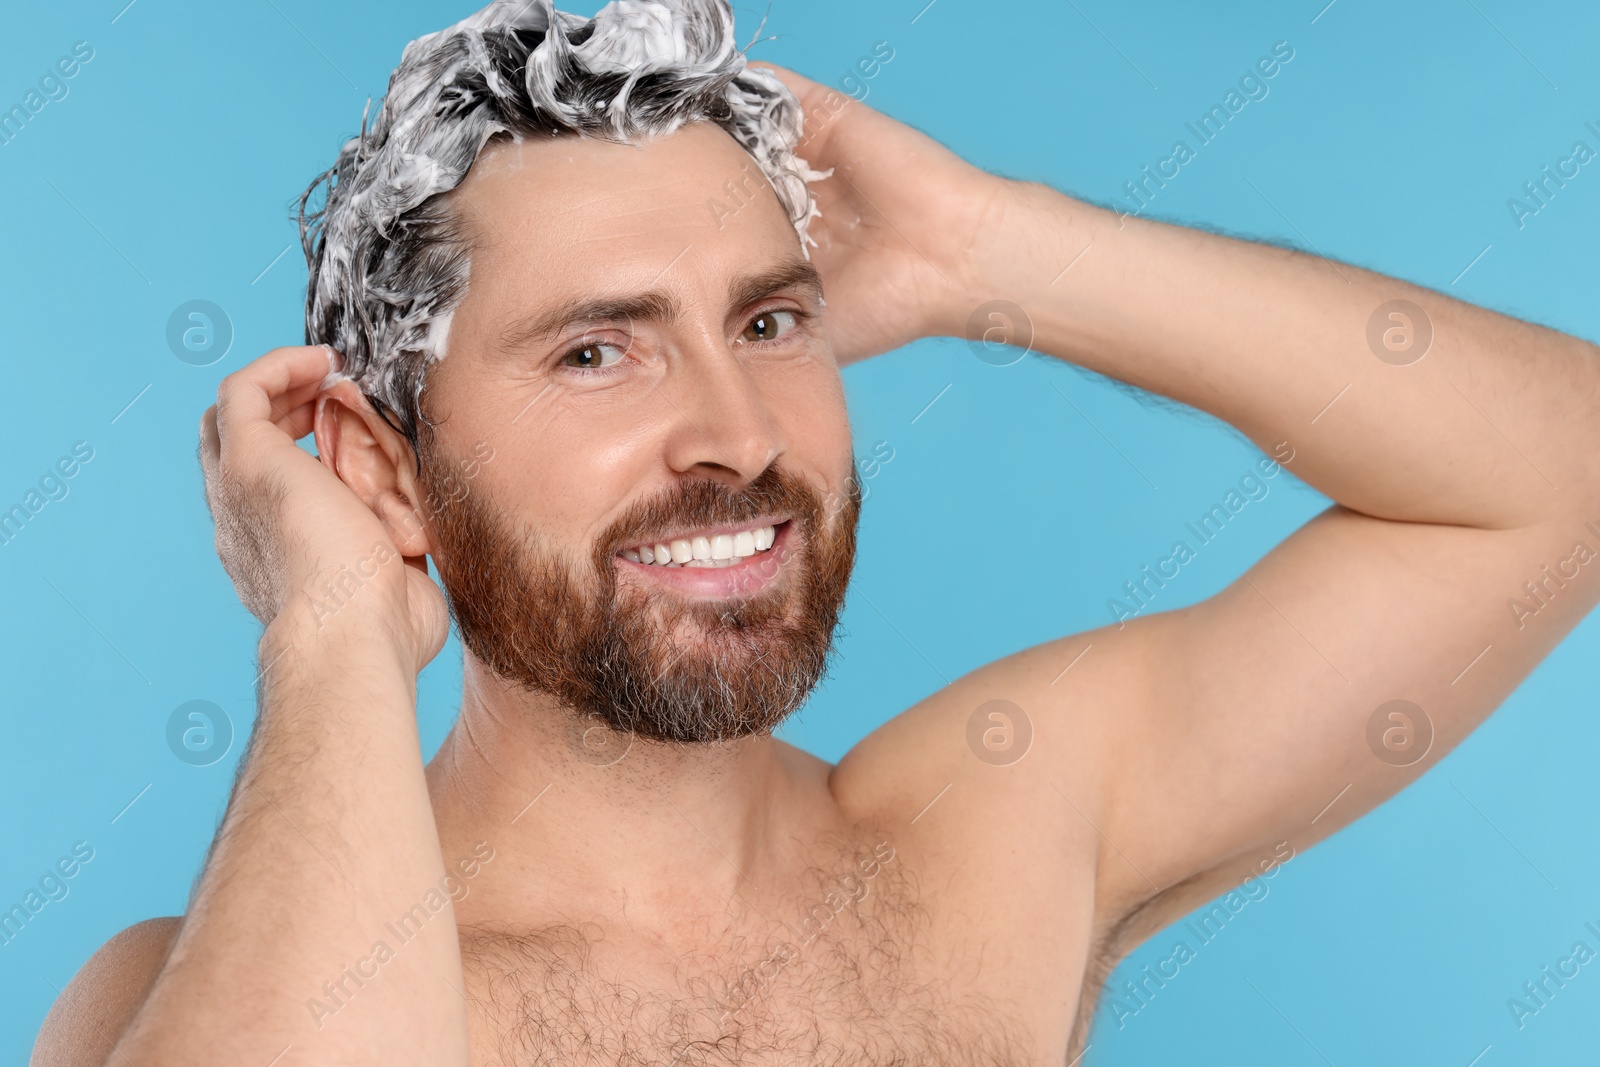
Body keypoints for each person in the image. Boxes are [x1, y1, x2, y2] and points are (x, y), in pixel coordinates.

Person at [33, 0, 1600, 1063]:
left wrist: (994, 248)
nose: (740, 430)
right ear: (387, 474)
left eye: (771, 320)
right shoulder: (194, 990)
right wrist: (325, 631)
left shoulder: (995, 839)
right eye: (597, 349)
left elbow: (1555, 475)